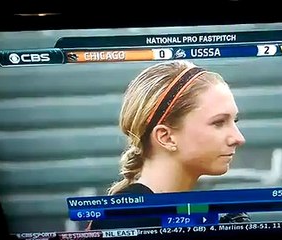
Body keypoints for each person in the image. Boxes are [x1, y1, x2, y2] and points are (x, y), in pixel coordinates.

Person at [87, 60, 248, 230]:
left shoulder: (177, 215)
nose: (238, 138)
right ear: (166, 137)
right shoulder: (125, 220)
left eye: (234, 121)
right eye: (219, 122)